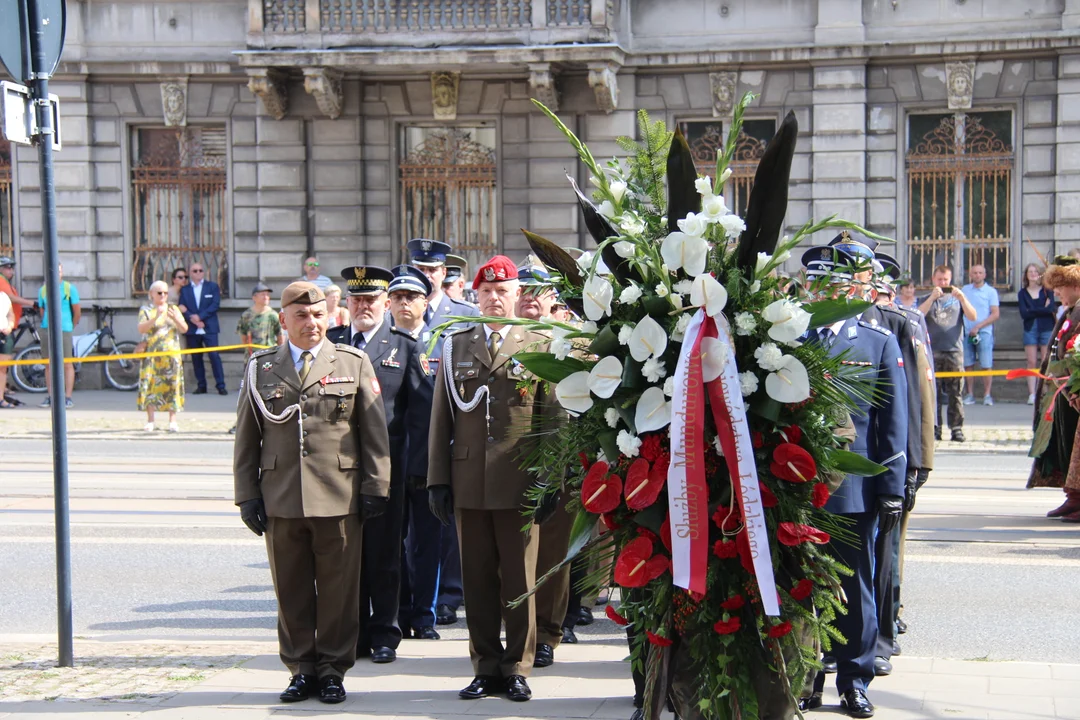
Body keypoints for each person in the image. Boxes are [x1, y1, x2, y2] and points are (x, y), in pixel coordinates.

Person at [233, 281, 391, 705]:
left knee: (340, 591)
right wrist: (247, 494)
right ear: (283, 320)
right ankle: (301, 668)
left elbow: (374, 433)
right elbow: (247, 440)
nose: (312, 323)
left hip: (338, 494)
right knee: (292, 589)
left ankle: (333, 669)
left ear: (330, 318)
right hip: (281, 496)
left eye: (319, 315)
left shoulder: (352, 363)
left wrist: (376, 486)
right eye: (301, 316)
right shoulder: (261, 368)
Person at [427, 255, 556, 703]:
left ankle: (517, 666)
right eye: (487, 291)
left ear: (518, 294)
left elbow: (551, 419)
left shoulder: (538, 344)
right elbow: (440, 420)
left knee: (520, 580)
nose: (495, 298)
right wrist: (437, 481)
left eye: (503, 291)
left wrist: (551, 481)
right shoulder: (454, 345)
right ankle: (484, 665)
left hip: (520, 482)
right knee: (477, 580)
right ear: (475, 295)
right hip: (468, 482)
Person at [800, 242, 908, 719]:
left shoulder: (876, 340)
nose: (827, 290)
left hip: (852, 487)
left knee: (854, 582)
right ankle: (803, 674)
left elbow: (892, 421)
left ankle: (855, 678)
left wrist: (891, 486)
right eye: (818, 282)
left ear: (853, 288)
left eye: (837, 282)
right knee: (797, 582)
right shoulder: (789, 336)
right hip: (794, 485)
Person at [326, 266, 434, 662]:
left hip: (388, 469)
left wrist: (418, 469)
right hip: (337, 471)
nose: (363, 307)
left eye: (371, 300)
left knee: (385, 555)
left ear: (385, 303)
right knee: (345, 556)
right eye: (356, 300)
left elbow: (421, 415)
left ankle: (386, 633)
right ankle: (352, 633)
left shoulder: (404, 347)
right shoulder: (332, 343)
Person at [408, 237, 480, 626]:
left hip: (457, 429)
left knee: (450, 523)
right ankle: (417, 596)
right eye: (420, 269)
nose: (427, 276)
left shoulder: (464, 313)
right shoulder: (399, 312)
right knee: (412, 532)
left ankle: (451, 593)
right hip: (414, 435)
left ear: (444, 274)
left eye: (433, 270)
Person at [512, 259, 572, 668]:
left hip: (561, 463)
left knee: (552, 553)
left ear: (554, 299)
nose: (532, 298)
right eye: (526, 291)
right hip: (511, 465)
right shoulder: (505, 339)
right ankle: (517, 632)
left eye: (541, 291)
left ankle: (548, 631)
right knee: (513, 557)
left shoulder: (575, 341)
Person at [1028, 256, 1080, 523]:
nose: (1056, 293)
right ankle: (1072, 496)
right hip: (1063, 391)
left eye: (1060, 287)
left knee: (1075, 446)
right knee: (1065, 447)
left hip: (1073, 390)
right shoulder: (1070, 310)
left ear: (1074, 284)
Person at [918, 265, 977, 442]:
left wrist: (963, 299)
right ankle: (935, 427)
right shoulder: (926, 298)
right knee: (932, 393)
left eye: (946, 280)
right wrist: (932, 297)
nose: (943, 283)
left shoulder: (958, 299)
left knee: (955, 393)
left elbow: (973, 316)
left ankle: (956, 428)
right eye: (939, 280)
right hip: (933, 351)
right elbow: (918, 314)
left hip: (954, 350)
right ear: (933, 279)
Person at [136, 280, 188, 432]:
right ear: (152, 294)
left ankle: (172, 420)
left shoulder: (173, 308)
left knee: (172, 386)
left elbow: (184, 328)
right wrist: (155, 318)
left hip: (171, 355)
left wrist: (177, 319)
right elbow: (141, 329)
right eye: (159, 293)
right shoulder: (146, 310)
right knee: (151, 386)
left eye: (166, 293)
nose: (163, 295)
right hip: (152, 356)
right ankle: (151, 420)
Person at [37, 263, 81, 408]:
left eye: (60, 271)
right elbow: (42, 310)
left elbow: (77, 311)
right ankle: (51, 396)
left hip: (64, 329)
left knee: (67, 363)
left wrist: (70, 325)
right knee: (48, 365)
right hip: (47, 328)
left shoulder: (69, 288)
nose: (57, 274)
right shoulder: (43, 290)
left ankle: (68, 397)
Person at [179, 263, 226, 395]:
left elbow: (215, 304)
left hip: (209, 327)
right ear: (191, 273)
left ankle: (221, 385)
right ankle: (201, 385)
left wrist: (200, 317)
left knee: (214, 356)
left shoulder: (212, 287)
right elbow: (182, 307)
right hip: (193, 328)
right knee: (196, 358)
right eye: (195, 271)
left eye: (200, 270)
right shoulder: (185, 289)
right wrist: (192, 318)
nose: (198, 272)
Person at [960, 264, 1000, 405]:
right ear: (970, 275)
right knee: (968, 364)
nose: (977, 275)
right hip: (966, 332)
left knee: (986, 364)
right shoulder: (964, 290)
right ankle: (969, 394)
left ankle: (987, 395)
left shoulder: (991, 292)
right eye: (974, 272)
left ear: (984, 275)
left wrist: (979, 326)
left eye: (980, 273)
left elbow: (995, 313)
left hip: (984, 332)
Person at [1019, 263, 1056, 404]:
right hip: (1030, 329)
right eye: (1030, 271)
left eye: (1035, 271)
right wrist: (1041, 308)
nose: (1033, 274)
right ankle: (1032, 394)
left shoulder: (1047, 291)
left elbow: (1050, 309)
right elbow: (1024, 313)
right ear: (1026, 275)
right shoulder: (1022, 293)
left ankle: (1045, 391)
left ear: (1040, 274)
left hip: (1046, 328)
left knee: (1046, 361)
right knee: (1031, 361)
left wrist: (1033, 309)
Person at [0, 256, 34, 405]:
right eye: (8, 267)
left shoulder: (5, 282)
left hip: (7, 326)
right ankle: (1, 397)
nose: (11, 271)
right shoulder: (1, 280)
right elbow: (11, 299)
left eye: (12, 267)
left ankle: (3, 391)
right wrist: (32, 303)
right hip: (4, 329)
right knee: (2, 365)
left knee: (3, 365)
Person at [0, 290, 13, 409]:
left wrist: (10, 326)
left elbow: (10, 314)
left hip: (4, 334)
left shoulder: (4, 296)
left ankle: (0, 398)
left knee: (3, 368)